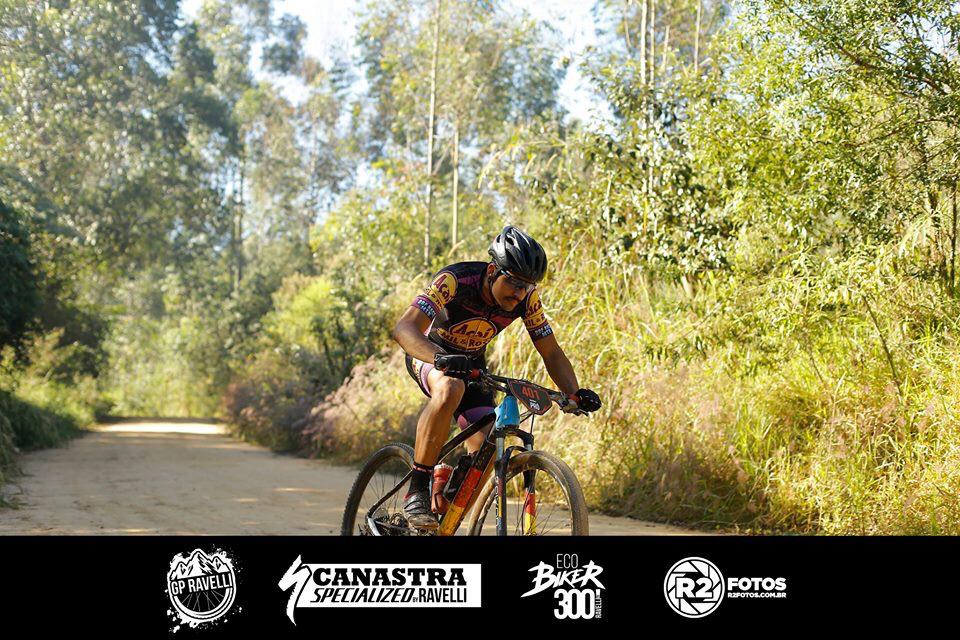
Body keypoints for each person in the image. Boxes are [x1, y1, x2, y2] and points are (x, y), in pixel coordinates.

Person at [391, 225, 602, 530]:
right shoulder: (455, 280)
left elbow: (550, 351)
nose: (519, 292)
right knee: (449, 387)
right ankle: (418, 490)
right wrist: (439, 358)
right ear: (492, 271)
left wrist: (573, 392)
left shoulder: (527, 299)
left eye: (527, 286)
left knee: (488, 442)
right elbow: (405, 328)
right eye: (513, 282)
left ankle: (445, 507)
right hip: (429, 354)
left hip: (472, 365)